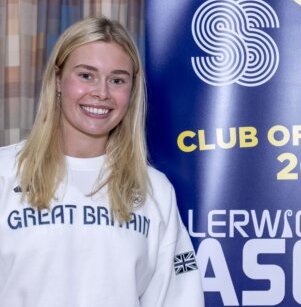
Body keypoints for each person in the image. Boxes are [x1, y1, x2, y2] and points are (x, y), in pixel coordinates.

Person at [0, 17, 204, 307]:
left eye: (117, 80)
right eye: (86, 75)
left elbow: (179, 297)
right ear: (58, 80)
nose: (102, 93)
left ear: (131, 91)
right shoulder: (5, 172)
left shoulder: (154, 190)